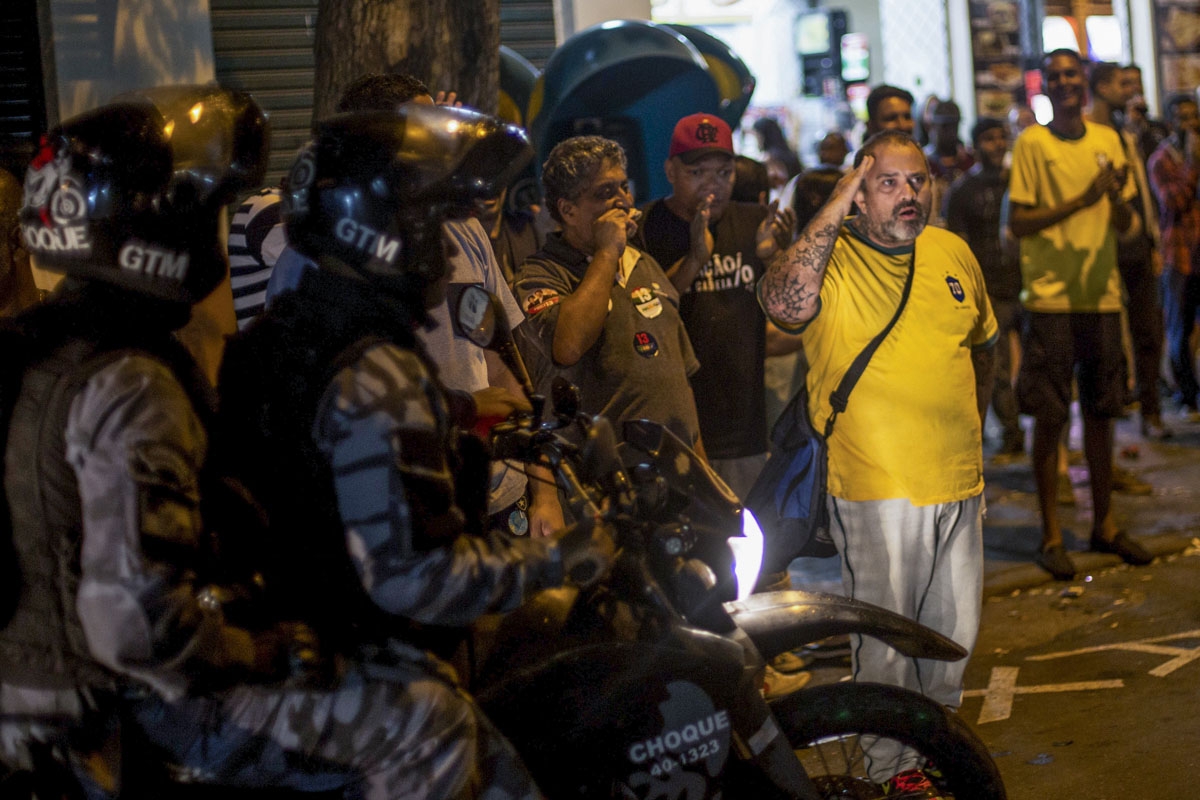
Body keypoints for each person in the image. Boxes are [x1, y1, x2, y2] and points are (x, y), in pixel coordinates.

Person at [0, 86, 440, 798]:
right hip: (102, 721)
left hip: (35, 698)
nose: (213, 234)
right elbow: (137, 628)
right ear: (155, 228)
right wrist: (255, 649)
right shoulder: (132, 381)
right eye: (203, 212)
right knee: (427, 729)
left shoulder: (39, 346)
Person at [216, 104, 614, 799]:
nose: (442, 245)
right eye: (428, 222)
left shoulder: (287, 332)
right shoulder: (376, 371)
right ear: (375, 228)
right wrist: (557, 561)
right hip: (352, 664)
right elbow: (411, 576)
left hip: (287, 636)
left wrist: (458, 417)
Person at [757, 129, 997, 795]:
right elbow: (782, 304)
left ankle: (935, 758)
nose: (908, 193)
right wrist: (835, 201)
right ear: (858, 195)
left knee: (950, 643)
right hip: (875, 488)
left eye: (916, 179)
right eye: (887, 182)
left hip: (958, 482)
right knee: (886, 650)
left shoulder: (952, 251)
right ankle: (891, 774)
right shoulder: (831, 259)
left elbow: (983, 345)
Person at [264, 72, 563, 539]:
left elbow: (498, 358)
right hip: (402, 515)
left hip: (498, 493)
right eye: (423, 132)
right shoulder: (306, 262)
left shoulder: (464, 231)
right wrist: (461, 412)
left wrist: (544, 488)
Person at [1008, 49, 1153, 581]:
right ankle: (1051, 534)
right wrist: (1083, 199)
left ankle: (1105, 526)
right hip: (1050, 300)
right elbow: (1019, 223)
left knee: (1101, 412)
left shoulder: (1110, 141)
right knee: (1049, 417)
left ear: (1086, 85)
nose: (1066, 83)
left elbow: (1127, 222)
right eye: (1056, 77)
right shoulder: (1032, 143)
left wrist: (1113, 202)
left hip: (1101, 297)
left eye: (1073, 75)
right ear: (1045, 87)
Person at [632, 112, 795, 499]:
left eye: (724, 173)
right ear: (671, 170)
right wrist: (694, 260)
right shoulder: (645, 227)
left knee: (756, 551)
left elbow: (789, 314)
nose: (714, 186)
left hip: (747, 429)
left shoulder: (755, 223)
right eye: (698, 173)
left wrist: (776, 261)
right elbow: (645, 316)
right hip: (674, 428)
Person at [512, 135, 704, 453]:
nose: (623, 202)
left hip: (677, 480)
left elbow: (679, 379)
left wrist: (705, 476)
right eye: (604, 192)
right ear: (568, 210)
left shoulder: (644, 263)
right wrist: (607, 252)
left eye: (623, 187)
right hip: (604, 487)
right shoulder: (539, 276)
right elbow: (569, 347)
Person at [1089, 61, 1169, 441]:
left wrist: (1152, 240)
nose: (1131, 92)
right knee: (1108, 336)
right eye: (1124, 84)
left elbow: (1144, 195)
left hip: (1137, 243)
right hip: (1103, 246)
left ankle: (1150, 408)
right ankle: (1115, 407)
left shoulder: (1128, 133)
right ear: (1103, 87)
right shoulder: (1090, 134)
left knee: (1148, 330)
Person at [945, 117, 1024, 460]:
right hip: (988, 289)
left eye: (1001, 137)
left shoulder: (1019, 181)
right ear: (975, 145)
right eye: (988, 138)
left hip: (1027, 283)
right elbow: (957, 244)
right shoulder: (962, 190)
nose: (997, 144)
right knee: (998, 369)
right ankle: (1012, 434)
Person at [1148, 94, 1200, 423]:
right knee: (1179, 329)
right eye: (1182, 118)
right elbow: (1174, 202)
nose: (1190, 124)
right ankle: (1187, 395)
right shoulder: (1161, 160)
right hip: (1179, 256)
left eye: (1194, 117)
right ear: (1170, 122)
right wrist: (1193, 164)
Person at [924, 99, 974, 228]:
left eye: (954, 126)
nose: (950, 132)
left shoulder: (969, 161)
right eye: (945, 127)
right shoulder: (923, 162)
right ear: (932, 126)